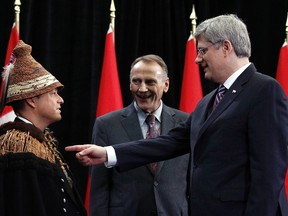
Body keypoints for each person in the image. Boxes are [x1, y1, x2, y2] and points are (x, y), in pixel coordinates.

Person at [66, 14, 288, 216]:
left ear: (226, 47)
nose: (197, 59)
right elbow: (170, 142)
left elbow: (268, 173)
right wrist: (108, 153)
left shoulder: (263, 90)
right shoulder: (208, 102)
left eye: (202, 50)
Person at [89, 54, 189, 216]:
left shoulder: (185, 122)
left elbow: (192, 182)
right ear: (130, 85)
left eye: (150, 82)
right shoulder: (106, 125)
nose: (142, 89)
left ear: (166, 85)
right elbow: (99, 189)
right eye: (136, 81)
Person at [0, 40, 87, 216]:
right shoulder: (18, 144)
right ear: (32, 100)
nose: (60, 100)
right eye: (53, 93)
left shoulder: (37, 141)